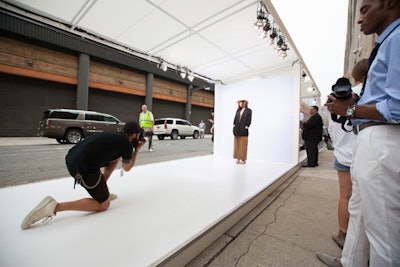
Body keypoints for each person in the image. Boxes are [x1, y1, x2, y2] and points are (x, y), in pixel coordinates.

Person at [321, 1, 400, 266]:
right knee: (360, 212)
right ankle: (349, 262)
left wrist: (352, 109)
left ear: (390, 3)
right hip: (370, 139)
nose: (359, 18)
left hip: (383, 140)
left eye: (365, 9)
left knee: (385, 233)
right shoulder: (386, 42)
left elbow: (397, 107)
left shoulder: (397, 38)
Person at [20, 121, 146, 230]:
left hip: (73, 158)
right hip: (82, 168)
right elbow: (127, 168)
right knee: (103, 205)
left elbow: (113, 160)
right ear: (134, 134)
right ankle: (53, 207)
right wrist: (137, 150)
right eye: (139, 134)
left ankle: (102, 190)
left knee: (115, 158)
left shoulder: (117, 137)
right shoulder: (126, 145)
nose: (140, 137)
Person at [326, 59, 368, 253]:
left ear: (355, 77)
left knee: (346, 195)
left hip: (344, 155)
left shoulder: (335, 100)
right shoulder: (368, 94)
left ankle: (343, 233)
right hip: (366, 154)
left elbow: (332, 129)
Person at [233, 99, 252, 164]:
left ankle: (243, 159)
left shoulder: (249, 111)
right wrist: (234, 125)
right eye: (239, 102)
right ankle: (238, 158)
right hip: (237, 129)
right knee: (237, 144)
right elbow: (235, 119)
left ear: (245, 103)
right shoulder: (238, 110)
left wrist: (247, 126)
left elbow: (249, 119)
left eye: (240, 102)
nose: (239, 104)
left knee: (243, 144)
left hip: (244, 130)